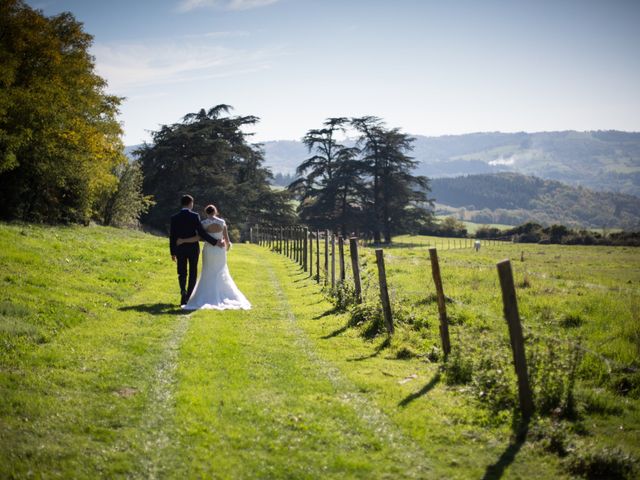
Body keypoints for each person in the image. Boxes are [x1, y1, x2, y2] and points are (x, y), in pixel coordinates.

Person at [176, 204, 251, 310]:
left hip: (209, 249)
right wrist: (226, 247)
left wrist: (183, 240)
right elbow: (227, 240)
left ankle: (206, 294)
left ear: (206, 212)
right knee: (221, 271)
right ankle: (222, 293)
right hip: (220, 250)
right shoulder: (222, 222)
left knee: (207, 271)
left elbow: (200, 237)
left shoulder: (204, 223)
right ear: (215, 211)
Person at [170, 195, 226, 306]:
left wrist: (172, 252)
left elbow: (172, 236)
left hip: (180, 249)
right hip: (193, 249)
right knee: (193, 272)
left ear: (182, 203)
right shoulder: (195, 216)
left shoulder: (174, 217)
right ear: (190, 203)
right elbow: (202, 234)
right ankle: (188, 297)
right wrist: (215, 242)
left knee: (182, 272)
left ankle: (182, 290)